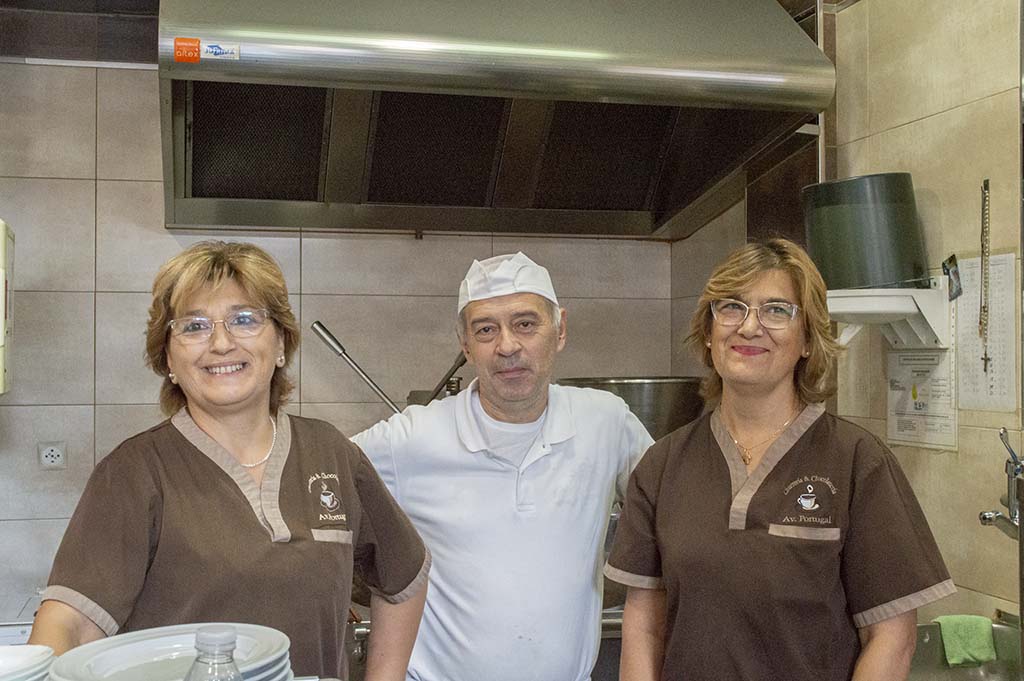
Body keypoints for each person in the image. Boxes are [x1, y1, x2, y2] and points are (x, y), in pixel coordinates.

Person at [29, 241, 429, 681]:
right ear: (169, 360)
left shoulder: (331, 452)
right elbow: (70, 621)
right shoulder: (134, 472)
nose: (221, 343)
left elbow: (403, 577)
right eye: (194, 326)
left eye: (244, 319)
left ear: (280, 344)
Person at [605, 238, 955, 681]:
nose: (749, 328)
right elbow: (644, 625)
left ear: (808, 339)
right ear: (709, 332)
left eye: (776, 311)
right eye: (731, 308)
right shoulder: (663, 464)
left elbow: (892, 638)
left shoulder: (856, 462)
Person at [352, 252, 654, 681]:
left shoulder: (605, 422)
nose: (507, 345)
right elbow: (317, 479)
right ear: (465, 344)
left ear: (560, 330)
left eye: (525, 324)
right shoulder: (412, 438)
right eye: (486, 329)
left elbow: (672, 509)